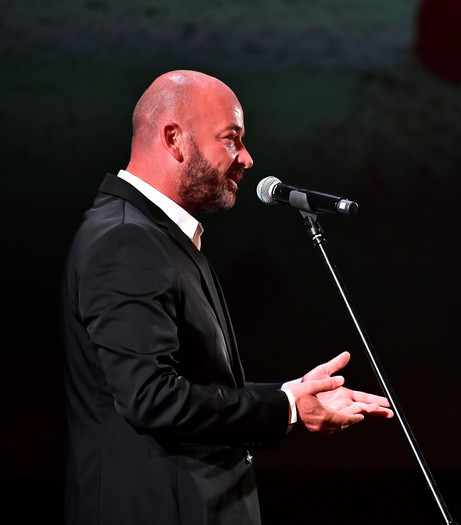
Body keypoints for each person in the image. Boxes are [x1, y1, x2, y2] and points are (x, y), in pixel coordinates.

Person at [60, 70, 393, 525]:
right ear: (174, 139)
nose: (248, 159)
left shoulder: (160, 236)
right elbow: (152, 398)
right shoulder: (126, 240)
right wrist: (287, 409)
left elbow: (188, 385)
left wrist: (290, 394)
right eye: (231, 139)